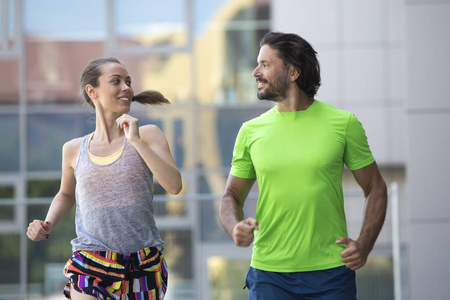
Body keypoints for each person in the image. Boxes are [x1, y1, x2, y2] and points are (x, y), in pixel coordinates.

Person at [219, 32, 388, 299]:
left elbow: (375, 186)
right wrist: (234, 226)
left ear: (293, 72)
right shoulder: (250, 131)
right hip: (269, 274)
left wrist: (365, 244)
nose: (255, 72)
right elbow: (231, 195)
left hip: (332, 274)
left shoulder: (344, 124)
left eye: (265, 64)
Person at [26, 57, 182, 300]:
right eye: (116, 81)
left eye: (128, 82)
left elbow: (174, 185)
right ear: (92, 91)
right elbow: (66, 194)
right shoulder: (73, 149)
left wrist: (136, 141)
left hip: (142, 264)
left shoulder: (148, 135)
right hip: (90, 260)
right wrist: (46, 224)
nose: (126, 88)